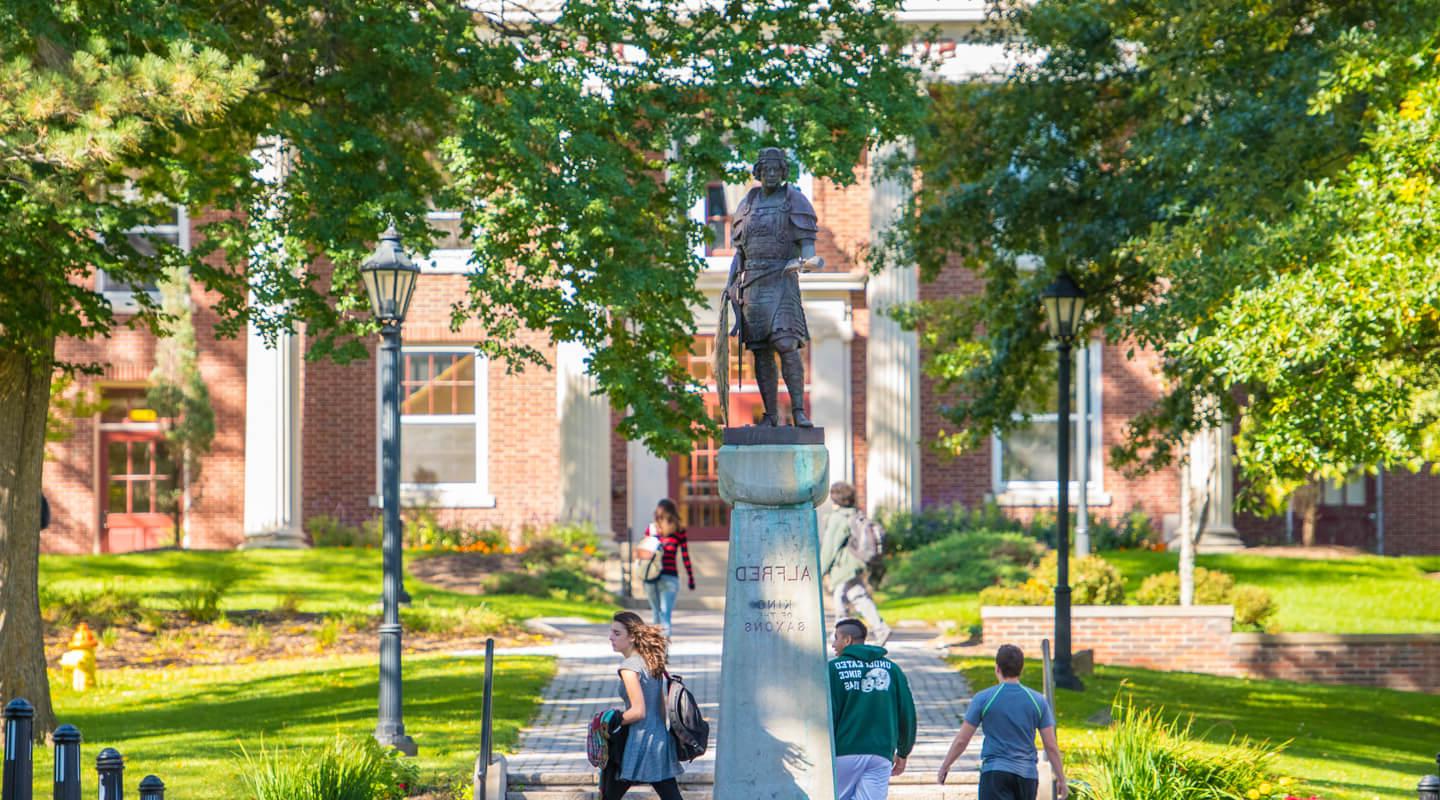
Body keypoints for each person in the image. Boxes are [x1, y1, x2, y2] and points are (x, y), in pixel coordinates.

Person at [722, 147, 824, 427]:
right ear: (758, 172)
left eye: (775, 170)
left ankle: (798, 411)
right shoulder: (748, 205)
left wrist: (805, 262)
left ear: (783, 173)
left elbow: (808, 251)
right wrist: (731, 285)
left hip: (781, 280)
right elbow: (739, 253)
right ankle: (770, 415)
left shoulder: (795, 202)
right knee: (761, 350)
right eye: (765, 169)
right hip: (752, 285)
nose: (770, 174)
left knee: (786, 343)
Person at [936, 644, 1068, 800]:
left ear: (997, 668)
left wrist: (946, 765)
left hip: (995, 773)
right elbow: (1051, 745)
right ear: (1021, 669)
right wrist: (1061, 779)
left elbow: (962, 740)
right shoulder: (1038, 700)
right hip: (1027, 775)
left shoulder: (984, 698)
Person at [829, 618, 916, 800]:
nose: (832, 644)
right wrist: (903, 750)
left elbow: (828, 713)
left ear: (847, 640)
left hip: (843, 751)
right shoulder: (892, 669)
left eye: (835, 638)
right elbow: (906, 712)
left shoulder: (832, 670)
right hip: (880, 753)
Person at [604, 611, 684, 800]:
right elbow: (661, 707)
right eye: (611, 632)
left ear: (632, 636)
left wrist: (608, 722)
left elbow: (638, 711)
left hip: (638, 741)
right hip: (657, 737)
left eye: (617, 633)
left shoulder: (629, 668)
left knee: (609, 795)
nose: (610, 637)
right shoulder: (651, 661)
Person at [820, 481, 890, 645]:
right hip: (857, 563)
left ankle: (840, 634)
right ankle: (881, 629)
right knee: (858, 596)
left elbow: (830, 547)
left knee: (840, 597)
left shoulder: (838, 518)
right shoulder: (855, 514)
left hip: (845, 566)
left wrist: (820, 571)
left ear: (835, 499)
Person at [642, 499, 694, 638]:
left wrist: (690, 577)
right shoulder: (673, 530)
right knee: (662, 615)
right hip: (662, 577)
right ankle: (660, 653)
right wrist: (690, 577)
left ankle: (659, 654)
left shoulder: (656, 530)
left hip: (658, 577)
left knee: (660, 615)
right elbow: (684, 555)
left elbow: (644, 552)